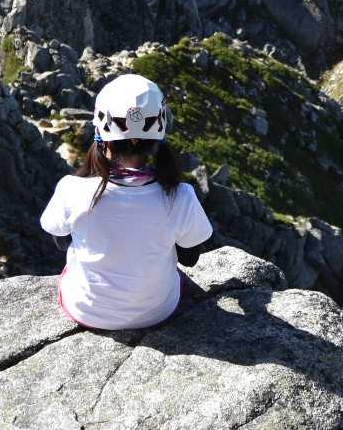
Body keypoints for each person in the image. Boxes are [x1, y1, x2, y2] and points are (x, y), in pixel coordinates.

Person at [39, 73, 213, 330]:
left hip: (86, 308)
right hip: (157, 311)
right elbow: (190, 258)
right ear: (159, 130)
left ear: (100, 131)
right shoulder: (180, 195)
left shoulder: (72, 189)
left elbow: (60, 239)